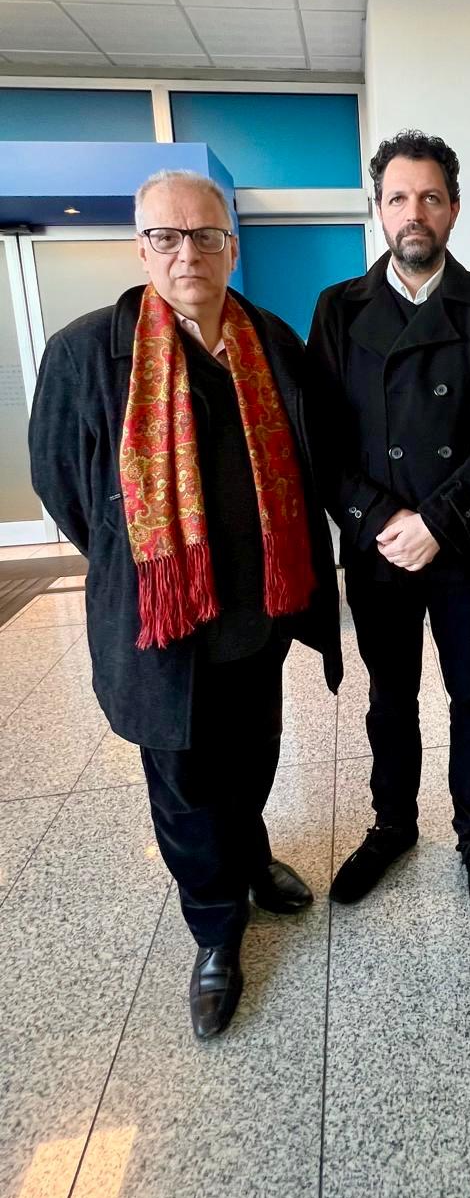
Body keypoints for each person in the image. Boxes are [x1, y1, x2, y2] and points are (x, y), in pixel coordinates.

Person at [29, 170, 341, 1040]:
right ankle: (215, 930)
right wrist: (149, 562)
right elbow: (61, 483)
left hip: (260, 614)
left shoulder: (270, 341)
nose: (187, 253)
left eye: (205, 235)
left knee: (254, 756)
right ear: (141, 250)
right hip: (163, 626)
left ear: (231, 246)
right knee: (184, 785)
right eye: (165, 237)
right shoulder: (88, 353)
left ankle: (253, 858)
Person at [307, 131, 470, 923]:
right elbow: (322, 438)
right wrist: (379, 519)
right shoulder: (338, 308)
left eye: (430, 197)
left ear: (454, 209)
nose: (415, 212)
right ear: (378, 210)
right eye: (399, 197)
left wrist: (438, 519)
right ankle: (393, 824)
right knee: (389, 695)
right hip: (379, 548)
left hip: (463, 541)